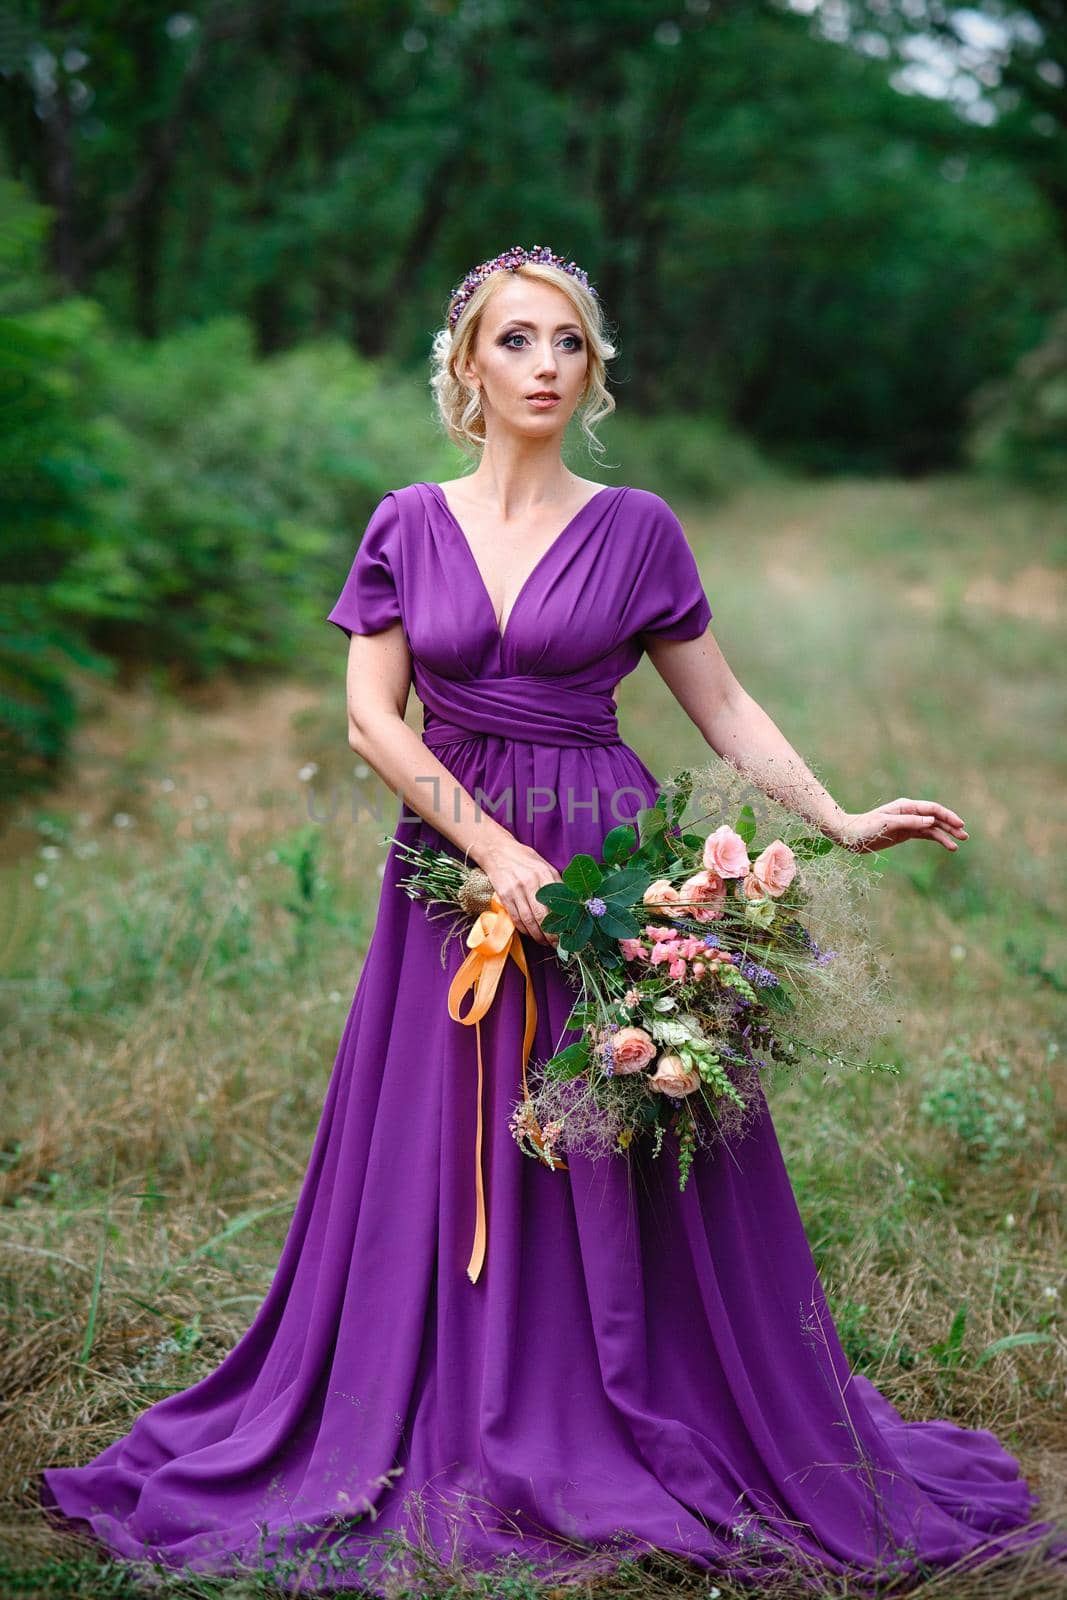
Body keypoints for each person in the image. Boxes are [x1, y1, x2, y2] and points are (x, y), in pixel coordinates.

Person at [39, 244, 1065, 1596]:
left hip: (607, 864)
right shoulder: (406, 520)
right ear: (467, 364)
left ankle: (635, 1398)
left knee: (621, 1118)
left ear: (595, 372)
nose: (544, 367)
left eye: (568, 343)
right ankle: (444, 1401)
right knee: (449, 1124)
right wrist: (494, 851)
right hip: (457, 871)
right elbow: (370, 719)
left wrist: (839, 814)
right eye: (516, 341)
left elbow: (725, 707)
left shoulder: (638, 526)